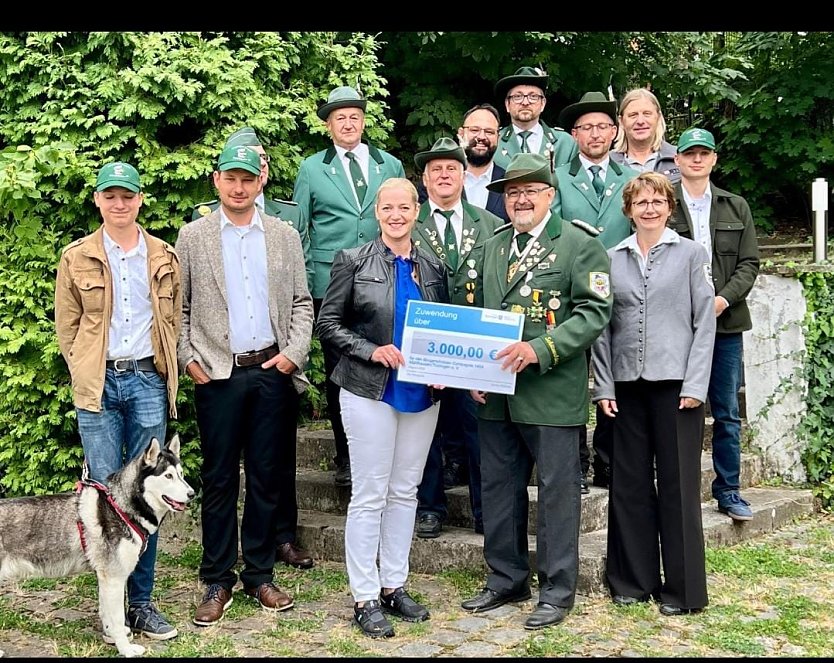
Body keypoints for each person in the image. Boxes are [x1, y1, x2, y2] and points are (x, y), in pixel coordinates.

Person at [461, 153, 612, 630]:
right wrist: (474, 371)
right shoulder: (492, 246)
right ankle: (506, 578)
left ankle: (557, 590)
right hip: (496, 394)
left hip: (550, 392)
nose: (521, 199)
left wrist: (540, 348)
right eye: (512, 192)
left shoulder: (579, 245)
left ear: (549, 194)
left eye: (530, 190)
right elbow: (477, 314)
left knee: (556, 494)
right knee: (498, 489)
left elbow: (593, 313)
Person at [176, 145, 314, 626]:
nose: (239, 187)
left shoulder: (283, 235)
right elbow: (178, 307)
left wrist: (293, 353)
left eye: (248, 179)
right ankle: (217, 578)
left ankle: (259, 574)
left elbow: (302, 301)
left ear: (261, 181)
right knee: (218, 480)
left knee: (265, 477)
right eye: (231, 178)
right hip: (218, 373)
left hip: (272, 370)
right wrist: (187, 358)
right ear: (216, 180)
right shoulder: (192, 236)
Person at [315, 178, 448, 638]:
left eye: (404, 207)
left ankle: (394, 583)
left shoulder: (433, 265)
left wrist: (443, 367)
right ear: (377, 212)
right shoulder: (352, 260)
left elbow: (444, 327)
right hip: (368, 389)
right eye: (387, 207)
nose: (396, 215)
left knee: (405, 491)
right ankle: (365, 595)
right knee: (370, 493)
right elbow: (328, 323)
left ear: (417, 211)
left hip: (420, 393)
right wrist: (371, 350)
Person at [54, 161, 182, 641]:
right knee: (106, 499)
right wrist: (84, 370)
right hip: (99, 384)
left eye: (127, 195)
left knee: (149, 497)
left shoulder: (164, 255)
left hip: (147, 379)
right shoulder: (76, 256)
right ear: (98, 200)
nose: (119, 203)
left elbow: (173, 318)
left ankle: (142, 604)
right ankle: (113, 612)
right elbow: (67, 326)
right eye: (110, 195)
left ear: (139, 199)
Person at [591, 171, 716, 617]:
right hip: (626, 386)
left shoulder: (691, 254)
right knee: (629, 484)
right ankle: (632, 581)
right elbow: (601, 329)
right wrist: (604, 384)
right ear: (629, 210)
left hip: (677, 386)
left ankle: (682, 590)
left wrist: (696, 384)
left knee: (678, 486)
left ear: (669, 208)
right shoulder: (611, 258)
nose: (649, 208)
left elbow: (705, 322)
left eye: (657, 201)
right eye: (641, 202)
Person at [293, 85, 406, 488]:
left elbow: (403, 219)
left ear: (363, 121)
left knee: (389, 361)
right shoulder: (312, 168)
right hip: (332, 284)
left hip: (384, 280)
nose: (347, 123)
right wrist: (310, 282)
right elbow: (301, 229)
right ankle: (346, 457)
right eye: (339, 118)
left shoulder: (389, 164)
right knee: (340, 371)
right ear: (328, 125)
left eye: (354, 116)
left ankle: (392, 453)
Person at [411, 137, 503, 539]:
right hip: (424, 341)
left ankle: (487, 510)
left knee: (479, 429)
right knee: (425, 430)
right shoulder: (409, 223)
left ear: (464, 176)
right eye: (436, 169)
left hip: (474, 344)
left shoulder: (490, 224)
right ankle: (430, 507)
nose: (444, 175)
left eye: (452, 168)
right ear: (424, 179)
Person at [669, 127, 761, 521]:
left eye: (703, 153)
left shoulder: (735, 206)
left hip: (725, 325)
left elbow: (749, 263)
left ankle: (728, 490)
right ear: (677, 159)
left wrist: (722, 300)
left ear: (713, 159)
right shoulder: (664, 204)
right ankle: (682, 492)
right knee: (679, 410)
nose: (696, 159)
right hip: (676, 327)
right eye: (689, 153)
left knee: (725, 412)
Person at [554, 91, 640, 493]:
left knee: (616, 379)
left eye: (602, 126)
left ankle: (609, 461)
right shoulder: (558, 178)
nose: (595, 134)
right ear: (574, 134)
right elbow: (554, 233)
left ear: (614, 132)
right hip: (574, 294)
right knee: (573, 379)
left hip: (623, 291)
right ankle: (576, 464)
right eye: (586, 127)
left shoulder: (630, 178)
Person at [193, 126, 314, 289]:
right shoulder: (204, 217)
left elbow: (304, 275)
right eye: (254, 157)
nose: (262, 163)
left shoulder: (291, 214)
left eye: (263, 157)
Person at [493, 66, 578, 170]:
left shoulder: (565, 143)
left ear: (543, 103)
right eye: (518, 97)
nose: (525, 102)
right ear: (507, 104)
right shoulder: (494, 141)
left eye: (533, 96)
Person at [609, 88, 681, 184]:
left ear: (658, 117)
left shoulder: (680, 158)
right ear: (621, 121)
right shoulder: (608, 164)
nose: (640, 121)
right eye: (633, 115)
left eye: (647, 114)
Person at [457, 103, 510, 223]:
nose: (481, 137)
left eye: (489, 132)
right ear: (461, 134)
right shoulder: (440, 180)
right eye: (474, 130)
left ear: (498, 137)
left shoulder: (508, 182)